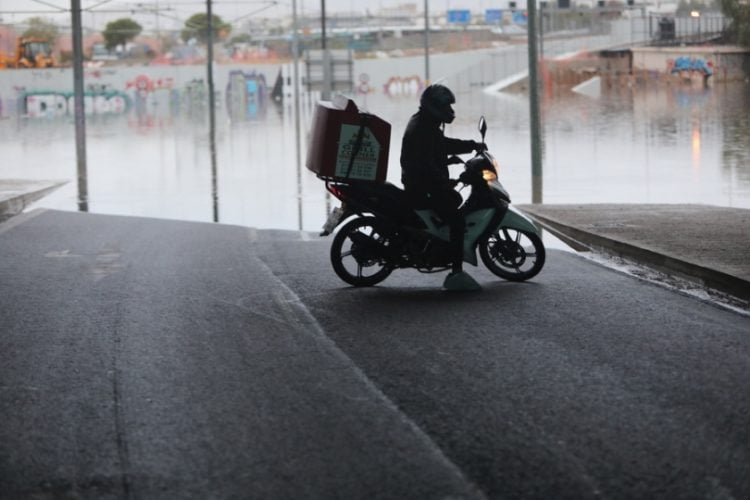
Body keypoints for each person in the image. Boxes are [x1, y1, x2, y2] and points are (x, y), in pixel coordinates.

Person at [400, 83, 486, 291]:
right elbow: (426, 165)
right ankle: (456, 272)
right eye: (445, 106)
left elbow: (439, 147)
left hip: (419, 181)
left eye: (450, 106)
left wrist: (471, 146)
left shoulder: (424, 123)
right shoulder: (423, 128)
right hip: (422, 186)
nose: (450, 111)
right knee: (456, 221)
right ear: (433, 107)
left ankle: (438, 242)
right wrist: (445, 181)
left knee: (453, 200)